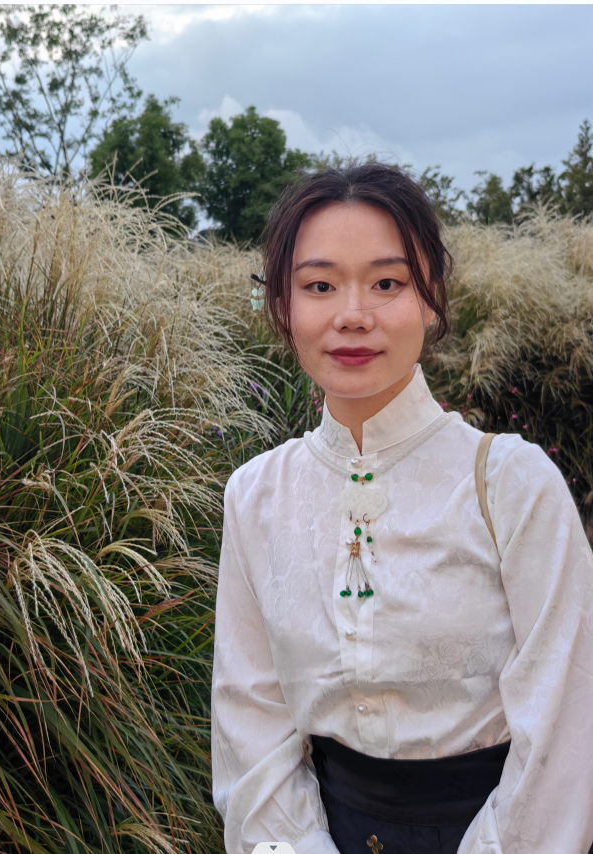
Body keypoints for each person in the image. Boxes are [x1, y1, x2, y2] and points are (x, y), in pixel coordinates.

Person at [210, 163, 593, 854]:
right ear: (283, 306)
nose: (352, 314)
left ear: (431, 299)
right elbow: (252, 718)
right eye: (319, 285)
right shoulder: (256, 494)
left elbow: (570, 721)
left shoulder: (510, 483)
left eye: (387, 283)